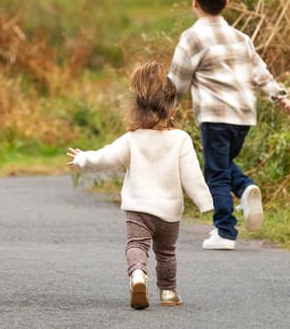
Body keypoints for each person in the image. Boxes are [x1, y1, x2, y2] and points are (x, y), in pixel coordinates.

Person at [67, 61, 213, 310]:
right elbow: (192, 176)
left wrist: (82, 159)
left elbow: (106, 158)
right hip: (169, 213)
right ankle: (168, 292)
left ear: (138, 108)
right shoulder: (181, 139)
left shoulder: (132, 139)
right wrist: (206, 204)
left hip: (139, 209)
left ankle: (137, 275)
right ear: (172, 108)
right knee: (167, 253)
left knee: (137, 245)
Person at [167, 0, 290, 250]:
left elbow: (177, 80)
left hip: (215, 116)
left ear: (194, 2)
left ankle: (225, 230)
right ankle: (245, 188)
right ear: (227, 3)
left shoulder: (192, 39)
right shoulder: (241, 37)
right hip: (244, 116)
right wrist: (280, 96)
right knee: (222, 164)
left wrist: (164, 111)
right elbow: (260, 71)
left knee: (215, 172)